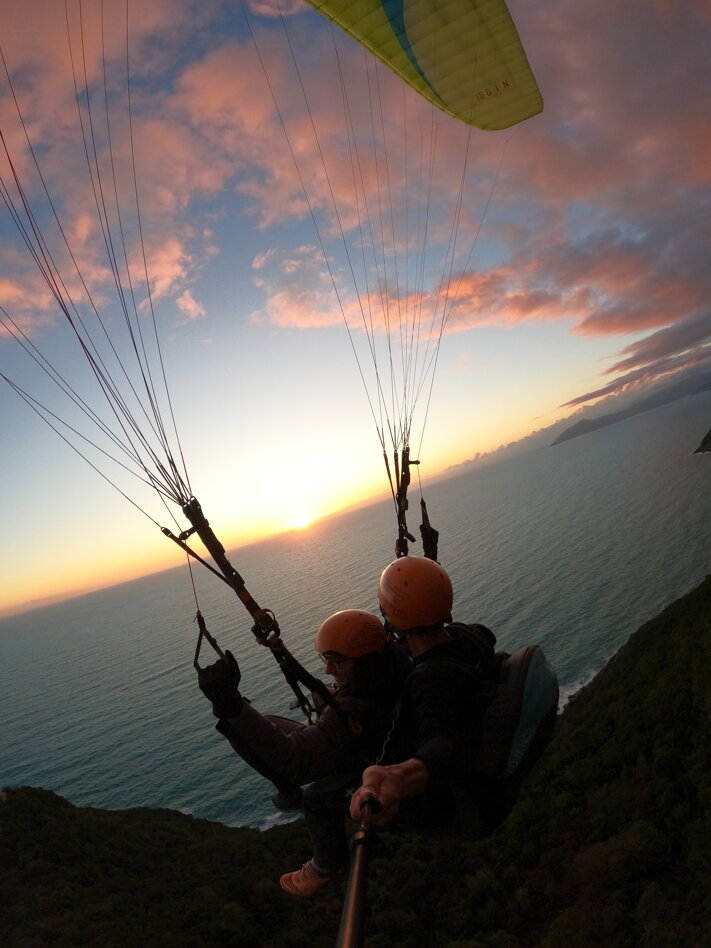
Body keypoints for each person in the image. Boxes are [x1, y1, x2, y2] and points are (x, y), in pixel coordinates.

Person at [197, 609, 411, 897]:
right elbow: (329, 696)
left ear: (365, 663)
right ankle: (289, 789)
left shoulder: (356, 711)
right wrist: (281, 651)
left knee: (316, 797)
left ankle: (326, 865)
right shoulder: (392, 665)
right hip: (371, 742)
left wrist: (230, 705)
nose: (329, 670)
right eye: (327, 660)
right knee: (275, 719)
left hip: (368, 761)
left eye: (337, 662)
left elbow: (292, 760)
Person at [349, 556, 502, 835]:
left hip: (459, 803)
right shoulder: (468, 636)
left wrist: (398, 777)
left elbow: (441, 741)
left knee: (330, 792)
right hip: (483, 749)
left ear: (392, 617)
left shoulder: (430, 680)